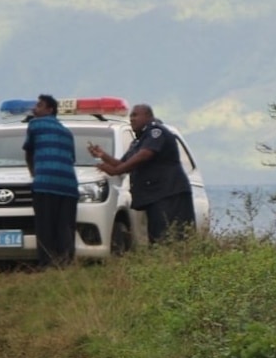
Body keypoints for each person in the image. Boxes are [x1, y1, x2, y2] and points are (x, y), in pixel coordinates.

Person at [90, 103, 196, 243]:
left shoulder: (156, 132)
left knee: (171, 237)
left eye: (135, 115)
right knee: (157, 237)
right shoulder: (139, 141)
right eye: (131, 116)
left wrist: (116, 171)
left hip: (168, 194)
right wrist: (103, 156)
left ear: (147, 116)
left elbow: (144, 155)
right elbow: (123, 163)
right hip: (155, 196)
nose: (132, 119)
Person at [22, 94, 79, 269]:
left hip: (45, 183)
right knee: (64, 226)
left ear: (49, 110)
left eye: (39, 106)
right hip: (69, 185)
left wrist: (34, 174)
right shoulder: (67, 132)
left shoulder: (35, 124)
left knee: (45, 225)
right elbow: (72, 159)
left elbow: (29, 152)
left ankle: (47, 263)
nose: (34, 109)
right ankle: (65, 263)